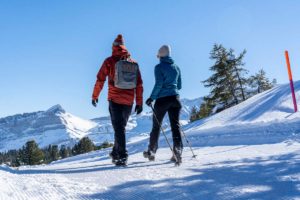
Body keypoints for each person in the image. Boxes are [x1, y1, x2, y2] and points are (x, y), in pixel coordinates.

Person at [92, 34, 143, 166]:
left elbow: (100, 79)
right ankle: (116, 152)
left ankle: (122, 156)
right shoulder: (133, 63)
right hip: (129, 101)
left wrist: (95, 95)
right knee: (120, 128)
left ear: (113, 47)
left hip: (114, 99)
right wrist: (139, 102)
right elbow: (139, 84)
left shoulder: (109, 61)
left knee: (119, 128)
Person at [143, 45, 183, 164]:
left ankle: (152, 151)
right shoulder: (176, 67)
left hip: (162, 100)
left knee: (156, 126)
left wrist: (152, 97)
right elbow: (179, 86)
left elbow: (159, 84)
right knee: (175, 126)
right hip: (175, 99)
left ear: (160, 55)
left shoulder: (158, 67)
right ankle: (178, 150)